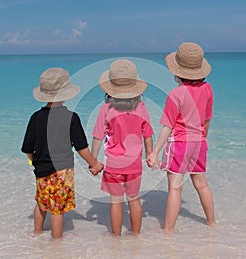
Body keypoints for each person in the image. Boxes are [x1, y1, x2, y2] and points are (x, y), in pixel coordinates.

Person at [21, 67, 103, 239]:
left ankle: (36, 233)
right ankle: (57, 243)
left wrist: (34, 162)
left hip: (42, 170)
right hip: (62, 171)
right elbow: (81, 148)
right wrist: (94, 164)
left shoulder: (35, 118)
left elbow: (28, 149)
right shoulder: (71, 118)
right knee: (57, 208)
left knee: (42, 203)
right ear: (66, 94)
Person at [147, 42, 216, 234]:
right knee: (202, 184)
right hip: (199, 142)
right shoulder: (207, 88)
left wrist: (155, 151)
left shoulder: (176, 94)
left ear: (176, 71)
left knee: (175, 188)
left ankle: (168, 230)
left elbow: (168, 126)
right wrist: (205, 138)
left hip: (179, 144)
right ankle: (211, 223)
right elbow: (207, 118)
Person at [90, 59, 153, 236]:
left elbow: (98, 136)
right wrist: (150, 154)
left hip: (113, 164)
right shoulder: (141, 107)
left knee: (116, 201)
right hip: (134, 165)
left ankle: (116, 238)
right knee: (134, 199)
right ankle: (136, 236)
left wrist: (93, 161)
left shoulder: (106, 108)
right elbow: (147, 134)